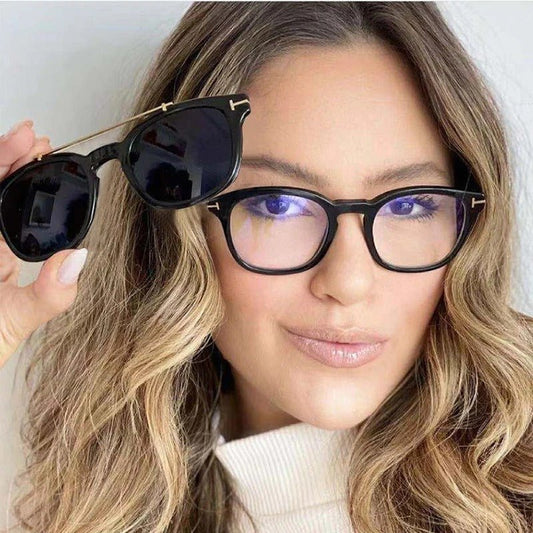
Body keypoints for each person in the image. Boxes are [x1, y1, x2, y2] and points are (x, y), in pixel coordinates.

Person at [1, 2, 532, 532]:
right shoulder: (87, 507)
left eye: (410, 205)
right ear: (182, 231)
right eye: (279, 205)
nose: (347, 282)